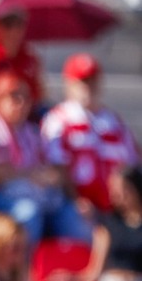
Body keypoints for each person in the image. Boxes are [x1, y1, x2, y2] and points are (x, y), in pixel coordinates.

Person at [0, 71, 86, 245]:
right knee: (28, 212)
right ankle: (24, 269)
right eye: (14, 97)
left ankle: (79, 267)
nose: (21, 103)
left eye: (26, 98)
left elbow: (50, 168)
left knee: (71, 213)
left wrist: (50, 177)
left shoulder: (31, 131)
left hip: (35, 193)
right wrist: (33, 176)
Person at [41, 53, 139, 217]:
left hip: (115, 207)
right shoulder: (58, 119)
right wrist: (76, 200)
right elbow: (57, 166)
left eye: (92, 81)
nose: (88, 87)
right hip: (75, 205)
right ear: (69, 84)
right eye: (83, 81)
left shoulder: (113, 120)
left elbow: (132, 161)